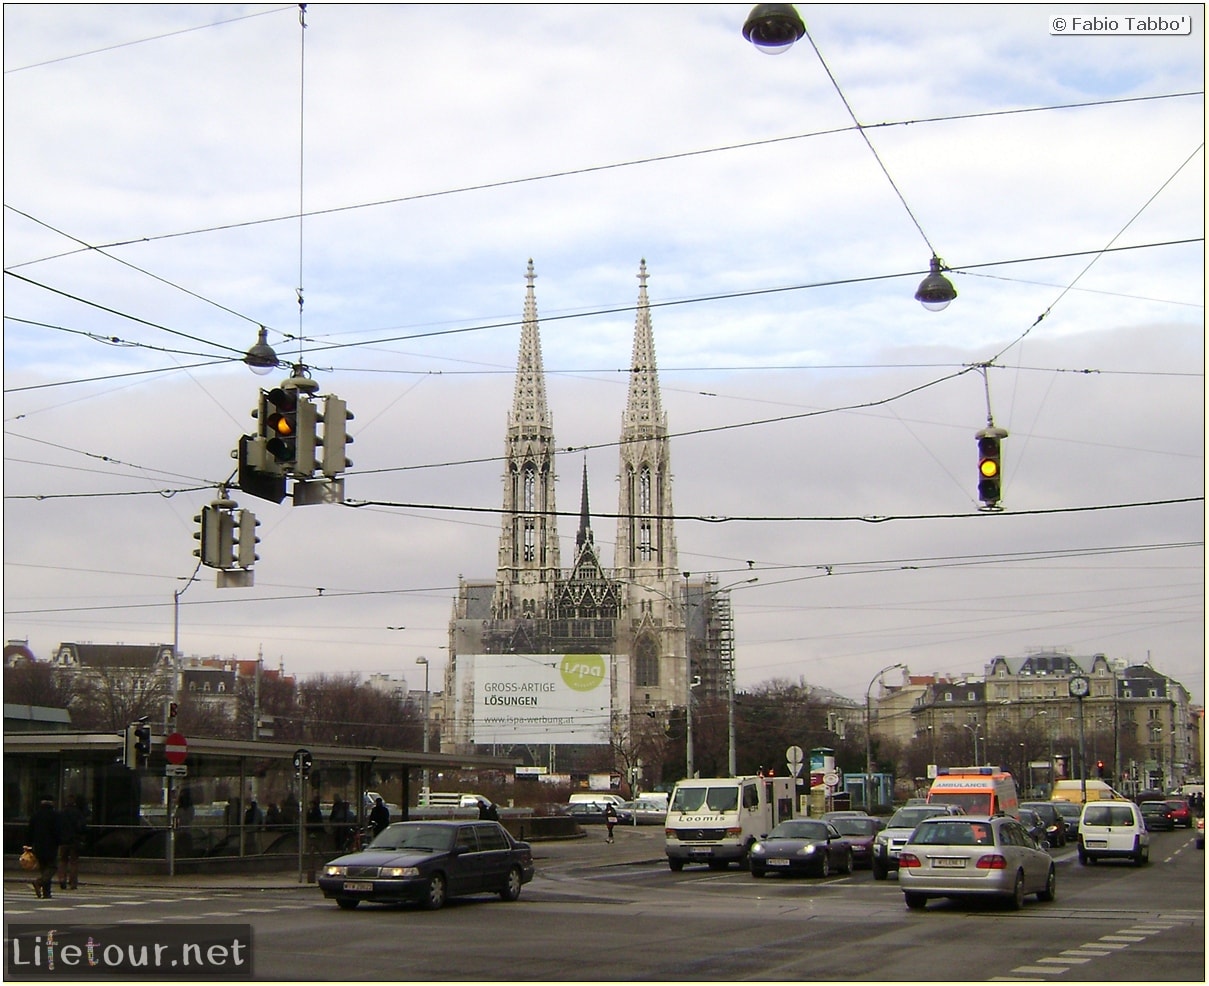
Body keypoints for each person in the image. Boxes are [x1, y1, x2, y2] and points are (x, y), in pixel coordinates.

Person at [26, 795, 60, 899]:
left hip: (38, 845)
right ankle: (40, 882)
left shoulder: (36, 815)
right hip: (51, 845)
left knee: (44, 868)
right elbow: (58, 831)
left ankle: (47, 892)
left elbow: (30, 831)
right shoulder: (55, 816)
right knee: (52, 866)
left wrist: (28, 845)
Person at [56, 794, 87, 891]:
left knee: (63, 860)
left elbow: (57, 826)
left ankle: (62, 879)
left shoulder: (61, 813)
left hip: (63, 840)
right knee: (74, 862)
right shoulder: (78, 813)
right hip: (75, 840)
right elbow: (82, 827)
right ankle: (73, 883)